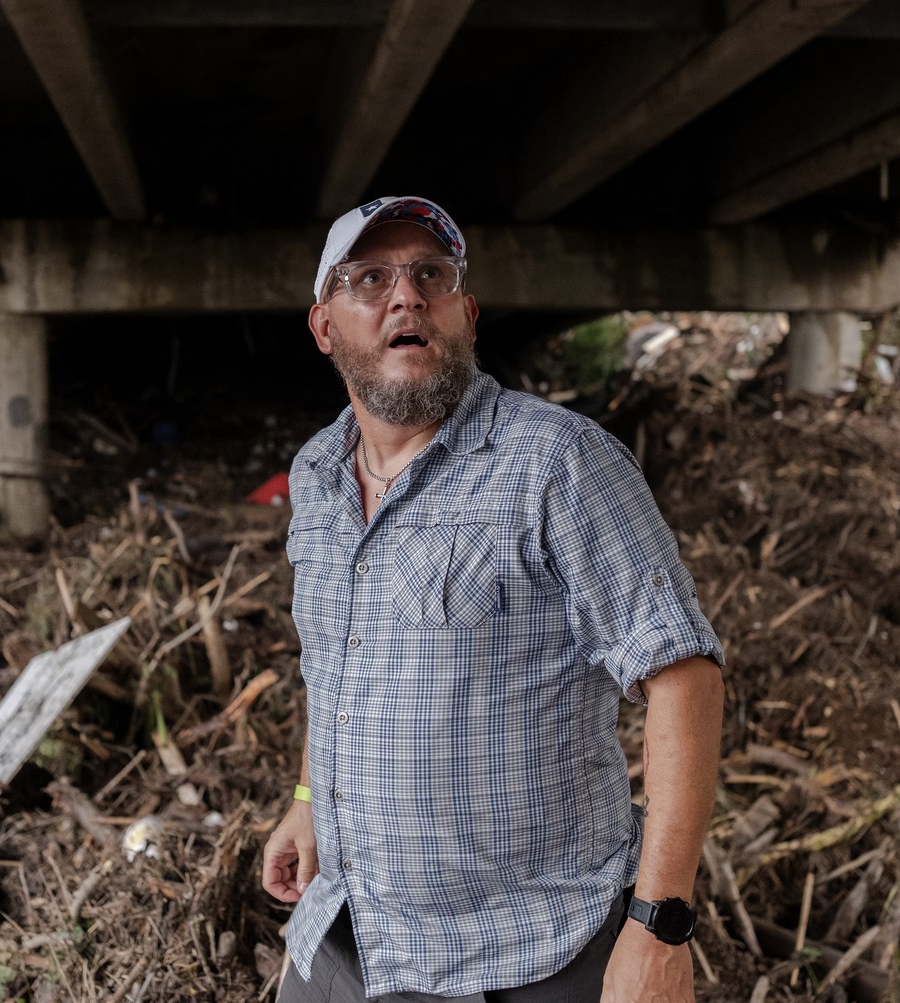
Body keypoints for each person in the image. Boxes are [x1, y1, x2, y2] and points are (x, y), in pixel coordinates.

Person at [262, 196, 725, 1003]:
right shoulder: (316, 473)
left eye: (429, 276)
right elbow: (338, 661)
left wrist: (658, 929)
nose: (405, 295)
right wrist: (307, 800)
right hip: (343, 935)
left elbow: (685, 679)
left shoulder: (559, 463)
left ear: (465, 314)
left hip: (521, 957)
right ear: (325, 326)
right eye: (369, 278)